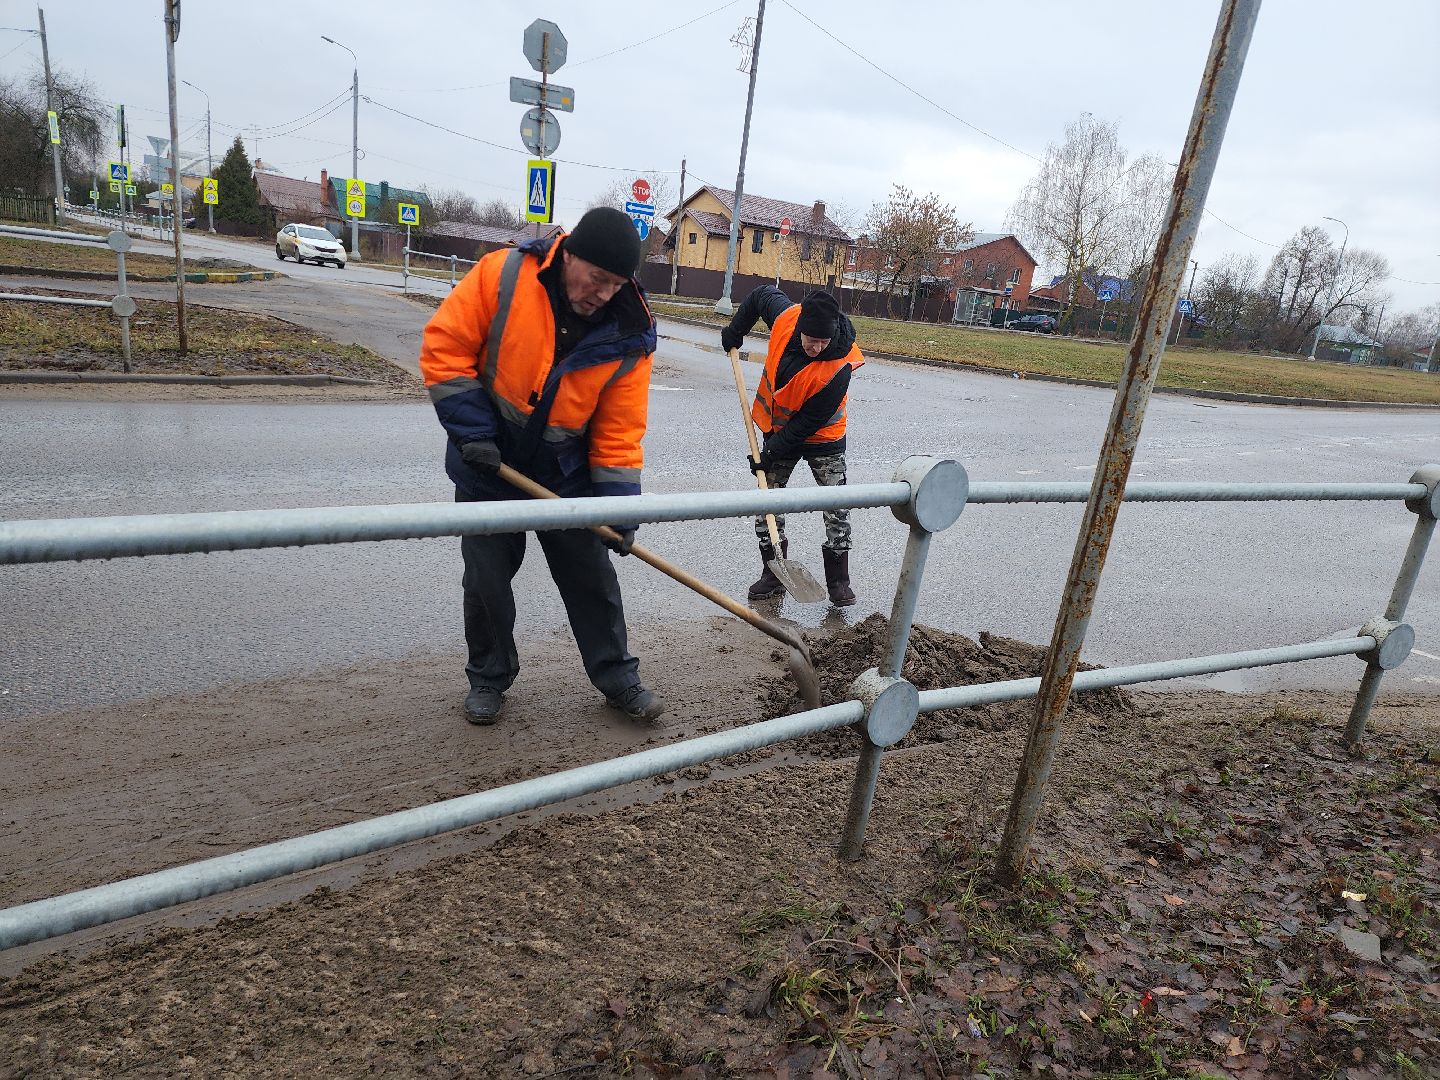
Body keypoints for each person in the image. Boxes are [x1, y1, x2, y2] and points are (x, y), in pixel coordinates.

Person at [418, 207, 665, 726]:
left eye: (616, 284)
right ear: (568, 254)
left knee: (592, 579)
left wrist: (619, 512)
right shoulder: (503, 275)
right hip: (488, 462)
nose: (603, 293)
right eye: (597, 278)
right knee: (486, 581)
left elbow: (619, 430)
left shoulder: (630, 331)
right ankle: (489, 678)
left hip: (563, 473)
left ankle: (618, 677)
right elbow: (445, 348)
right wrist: (475, 433)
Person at [721, 286, 864, 606]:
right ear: (801, 328)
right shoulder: (786, 318)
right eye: (811, 340)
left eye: (823, 342)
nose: (817, 348)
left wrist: (769, 454)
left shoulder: (840, 366)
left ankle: (839, 582)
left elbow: (808, 422)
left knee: (836, 507)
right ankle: (773, 574)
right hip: (779, 427)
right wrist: (735, 331)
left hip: (823, 437)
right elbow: (759, 295)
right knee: (768, 501)